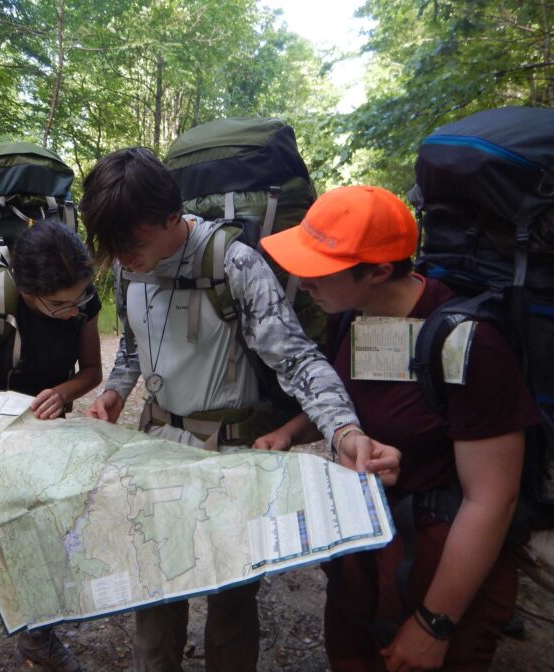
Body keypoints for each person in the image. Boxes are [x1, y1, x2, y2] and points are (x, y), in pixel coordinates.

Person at [79, 147, 401, 672]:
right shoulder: (126, 266)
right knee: (154, 595)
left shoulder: (233, 262)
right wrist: (116, 390)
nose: (121, 258)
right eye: (112, 246)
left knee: (230, 600)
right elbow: (133, 350)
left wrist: (344, 429)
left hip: (231, 455)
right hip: (156, 449)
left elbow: (294, 357)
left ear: (169, 217)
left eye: (131, 244)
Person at [258, 185, 540, 672]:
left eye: (317, 269)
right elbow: (347, 395)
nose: (301, 281)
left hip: (441, 566)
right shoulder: (353, 317)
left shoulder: (467, 345)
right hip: (368, 549)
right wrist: (290, 431)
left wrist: (435, 624)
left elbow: (493, 499)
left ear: (379, 271)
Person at [0, 219, 102, 672]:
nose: (72, 312)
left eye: (78, 301)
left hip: (49, 436)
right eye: (59, 305)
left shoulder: (82, 301)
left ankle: (38, 641)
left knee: (44, 538)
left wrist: (65, 392)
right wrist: (24, 416)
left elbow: (91, 370)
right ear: (28, 291)